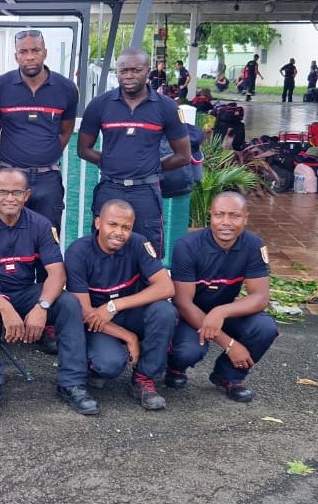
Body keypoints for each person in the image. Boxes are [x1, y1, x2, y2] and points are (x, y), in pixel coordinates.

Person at [0, 168, 98, 420]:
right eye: (3, 192)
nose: (9, 198)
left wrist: (42, 306)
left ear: (27, 195)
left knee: (67, 303)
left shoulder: (40, 224)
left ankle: (72, 383)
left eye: (16, 192)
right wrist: (5, 308)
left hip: (23, 291)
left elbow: (57, 273)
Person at [78, 47, 191, 258]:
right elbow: (83, 149)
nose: (128, 76)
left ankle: (148, 291)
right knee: (102, 248)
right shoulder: (100, 105)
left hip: (145, 191)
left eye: (135, 70)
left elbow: (183, 155)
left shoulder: (166, 107)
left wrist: (151, 166)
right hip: (109, 188)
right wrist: (111, 163)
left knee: (147, 251)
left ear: (148, 71)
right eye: (123, 70)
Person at [64, 200, 177, 411]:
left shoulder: (138, 243)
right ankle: (93, 369)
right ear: (98, 223)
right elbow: (85, 312)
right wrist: (129, 337)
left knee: (164, 311)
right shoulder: (78, 252)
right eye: (112, 224)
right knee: (109, 364)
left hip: (125, 312)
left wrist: (114, 305)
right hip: (96, 323)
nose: (119, 232)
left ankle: (144, 380)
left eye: (126, 227)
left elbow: (166, 287)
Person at [166, 192, 278, 403]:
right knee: (187, 351)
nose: (226, 222)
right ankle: (175, 368)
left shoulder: (254, 245)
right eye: (219, 215)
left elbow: (261, 297)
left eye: (234, 216)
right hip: (190, 315)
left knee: (265, 327)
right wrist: (230, 344)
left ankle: (229, 376)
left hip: (225, 312)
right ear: (211, 216)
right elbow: (182, 302)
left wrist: (221, 311)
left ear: (245, 217)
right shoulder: (187, 246)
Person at [0, 29, 78, 232]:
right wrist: (13, 155)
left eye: (35, 50)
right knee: (6, 239)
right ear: (16, 56)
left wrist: (45, 153)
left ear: (45, 52)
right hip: (10, 177)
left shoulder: (66, 88)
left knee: (48, 240)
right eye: (23, 51)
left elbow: (65, 132)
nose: (30, 57)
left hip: (48, 179)